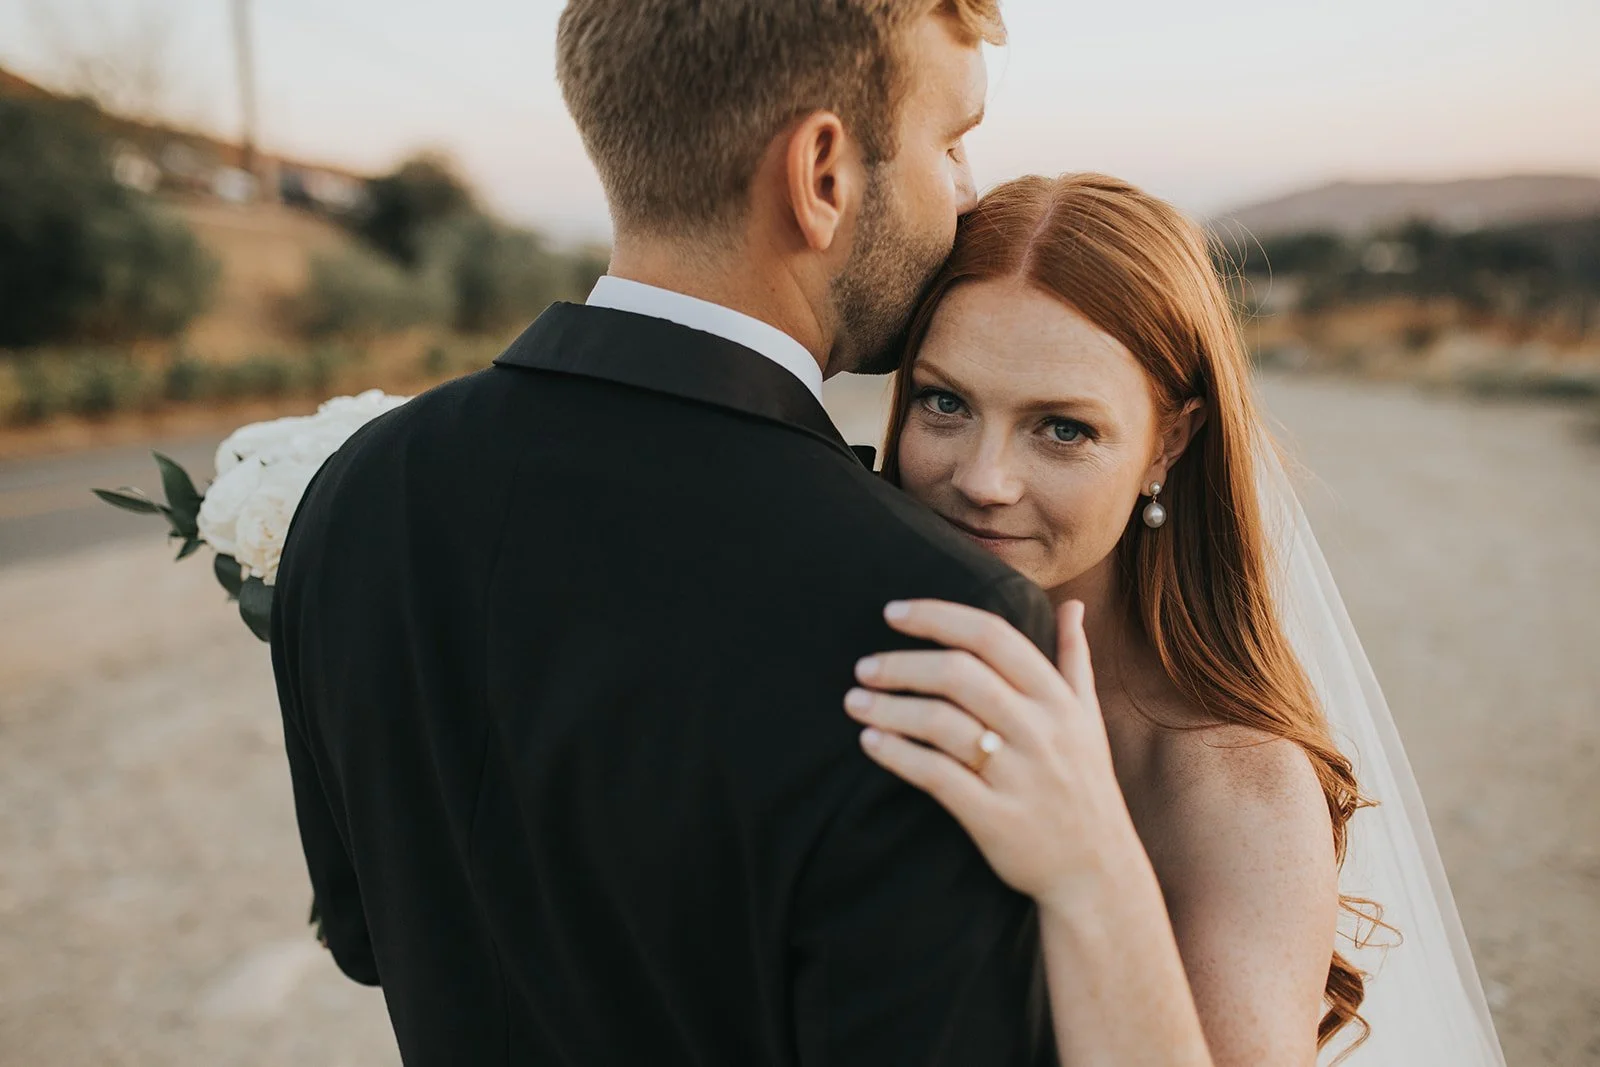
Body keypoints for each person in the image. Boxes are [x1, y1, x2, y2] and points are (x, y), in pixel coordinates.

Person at [271, 2, 1064, 1064]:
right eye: (951, 141)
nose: (965, 195)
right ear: (821, 174)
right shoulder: (936, 615)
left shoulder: (362, 487)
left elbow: (369, 935)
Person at [847, 173, 1506, 1065]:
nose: (982, 478)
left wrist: (1088, 866)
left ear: (1170, 441)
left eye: (1064, 429)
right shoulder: (858, 647)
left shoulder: (1238, 792)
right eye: (947, 402)